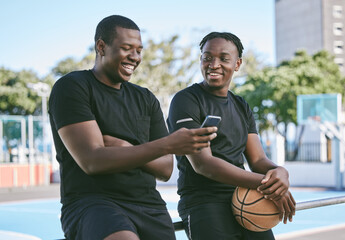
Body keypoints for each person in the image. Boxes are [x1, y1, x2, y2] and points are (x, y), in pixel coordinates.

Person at [48, 15, 217, 240]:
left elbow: (165, 169)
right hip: (94, 203)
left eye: (139, 50)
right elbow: (93, 161)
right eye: (127, 48)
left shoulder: (145, 98)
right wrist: (165, 145)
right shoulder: (72, 87)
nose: (135, 57)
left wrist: (125, 146)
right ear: (101, 47)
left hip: (148, 204)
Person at [167, 32, 296, 240]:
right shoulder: (186, 101)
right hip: (204, 202)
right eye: (207, 57)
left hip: (246, 197)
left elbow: (258, 160)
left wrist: (280, 173)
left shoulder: (241, 105)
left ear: (237, 64)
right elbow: (203, 164)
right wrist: (269, 185)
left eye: (224, 58)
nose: (214, 64)